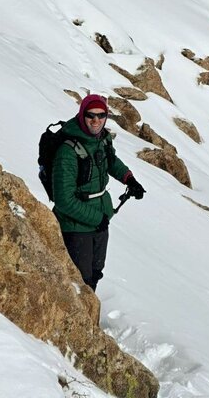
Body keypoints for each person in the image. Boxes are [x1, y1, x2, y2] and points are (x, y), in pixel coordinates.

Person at [52, 93, 145, 292]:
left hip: (100, 217)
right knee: (80, 281)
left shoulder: (101, 140)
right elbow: (63, 200)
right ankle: (78, 320)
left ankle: (89, 320)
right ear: (82, 115)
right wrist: (97, 218)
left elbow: (110, 161)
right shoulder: (67, 151)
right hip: (75, 226)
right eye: (91, 115)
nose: (96, 120)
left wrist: (129, 179)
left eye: (101, 115)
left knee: (95, 272)